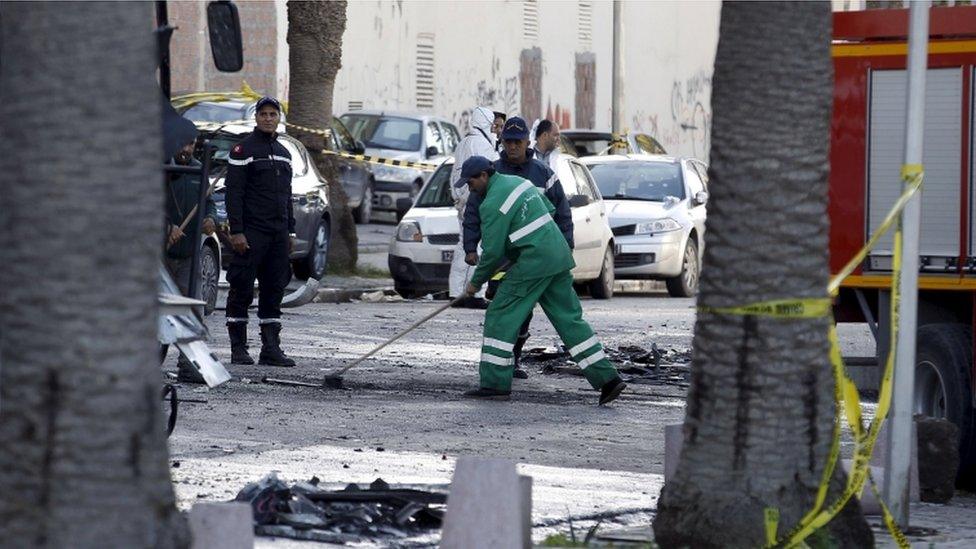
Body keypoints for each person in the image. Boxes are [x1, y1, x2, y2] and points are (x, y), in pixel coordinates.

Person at [455, 156, 626, 405]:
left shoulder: (492, 203)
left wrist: (474, 284)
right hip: (557, 255)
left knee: (499, 314)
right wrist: (518, 247)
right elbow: (549, 210)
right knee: (570, 320)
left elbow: (491, 253)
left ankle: (494, 383)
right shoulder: (519, 183)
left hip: (533, 262)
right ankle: (608, 379)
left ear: (483, 175)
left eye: (470, 181)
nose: (468, 187)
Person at [462, 116, 573, 379]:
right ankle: (502, 364)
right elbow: (473, 213)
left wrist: (566, 246)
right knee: (501, 309)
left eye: (517, 142)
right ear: (503, 142)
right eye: (508, 142)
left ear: (527, 142)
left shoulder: (543, 174)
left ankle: (514, 358)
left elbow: (562, 214)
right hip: (502, 260)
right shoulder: (490, 173)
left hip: (533, 259)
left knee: (523, 313)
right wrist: (469, 247)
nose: (512, 147)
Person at [224, 96, 296, 368]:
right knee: (241, 287)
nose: (268, 118)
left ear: (279, 118)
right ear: (256, 117)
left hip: (277, 234)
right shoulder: (243, 150)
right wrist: (237, 231)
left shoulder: (284, 152)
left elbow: (287, 195)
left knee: (273, 289)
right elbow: (234, 193)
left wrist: (290, 231)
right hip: (252, 232)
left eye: (272, 114)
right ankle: (238, 349)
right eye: (263, 114)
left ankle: (271, 348)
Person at [164, 138, 217, 383]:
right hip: (160, 255)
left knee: (192, 310)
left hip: (188, 256)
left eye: (190, 144)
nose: (185, 149)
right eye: (181, 144)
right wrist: (166, 227)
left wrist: (210, 219)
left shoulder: (199, 170)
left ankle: (190, 366)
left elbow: (209, 205)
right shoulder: (160, 169)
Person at [449, 107, 499, 308]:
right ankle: (474, 293)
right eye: (494, 125)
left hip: (461, 198)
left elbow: (454, 174)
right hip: (475, 200)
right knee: (478, 246)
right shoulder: (481, 145)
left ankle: (457, 292)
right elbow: (493, 171)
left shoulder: (464, 143)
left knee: (463, 245)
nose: (496, 130)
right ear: (487, 123)